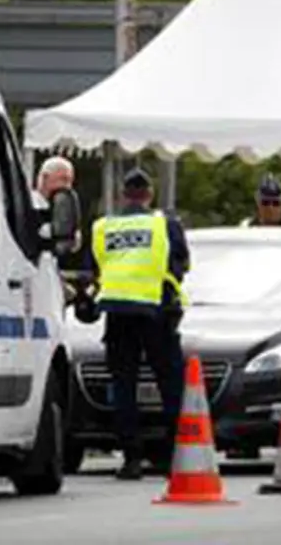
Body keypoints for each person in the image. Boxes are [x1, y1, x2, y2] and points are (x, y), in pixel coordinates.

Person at [84, 167, 190, 480]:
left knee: (124, 388)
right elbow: (182, 263)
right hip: (156, 313)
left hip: (117, 314)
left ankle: (131, 458)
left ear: (123, 195)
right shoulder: (165, 225)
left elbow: (94, 272)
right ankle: (174, 455)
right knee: (170, 386)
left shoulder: (103, 227)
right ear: (149, 195)